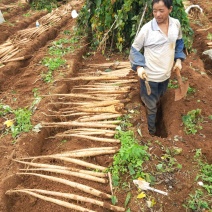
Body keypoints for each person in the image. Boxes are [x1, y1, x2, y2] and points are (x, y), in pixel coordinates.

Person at [129, 0, 186, 136]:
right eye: (155, 11)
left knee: (160, 98)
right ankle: (152, 134)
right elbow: (134, 49)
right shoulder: (147, 29)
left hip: (165, 75)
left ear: (170, 9)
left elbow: (179, 42)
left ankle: (158, 116)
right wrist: (139, 67)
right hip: (150, 77)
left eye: (161, 10)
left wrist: (178, 59)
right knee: (151, 107)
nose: (157, 14)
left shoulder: (175, 24)